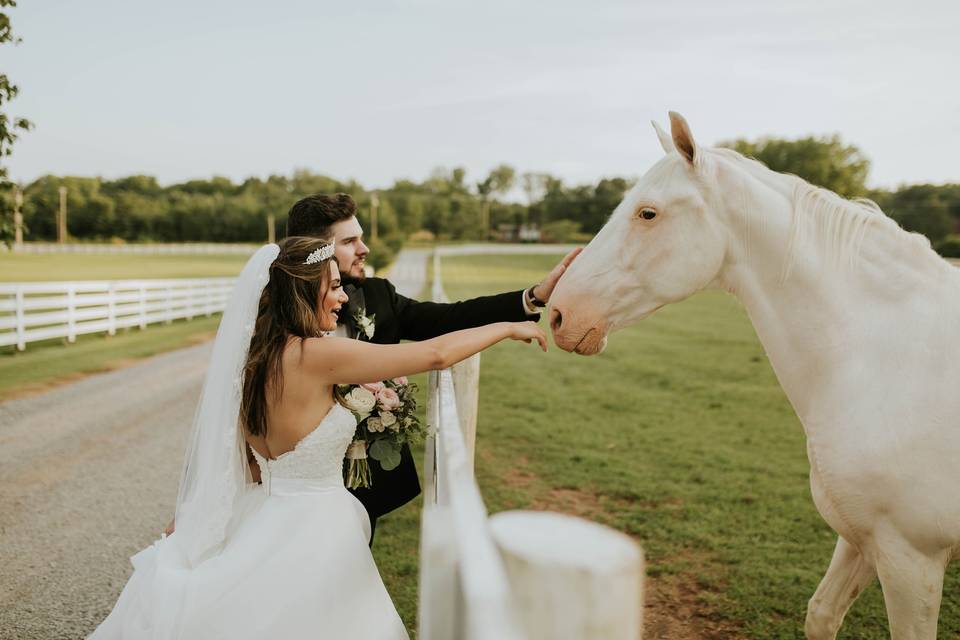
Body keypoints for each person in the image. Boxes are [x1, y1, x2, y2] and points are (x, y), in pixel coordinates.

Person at [90, 237, 547, 639]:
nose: (342, 297)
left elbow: (244, 462)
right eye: (332, 286)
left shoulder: (250, 363)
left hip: (263, 512)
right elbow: (434, 354)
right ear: (303, 292)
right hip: (317, 527)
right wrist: (507, 327)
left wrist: (191, 517)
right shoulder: (314, 355)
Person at [286, 193, 580, 541]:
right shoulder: (276, 327)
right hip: (298, 475)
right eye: (350, 241)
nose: (364, 248)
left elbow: (448, 318)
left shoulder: (378, 296)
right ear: (314, 249)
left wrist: (533, 297)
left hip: (364, 479)